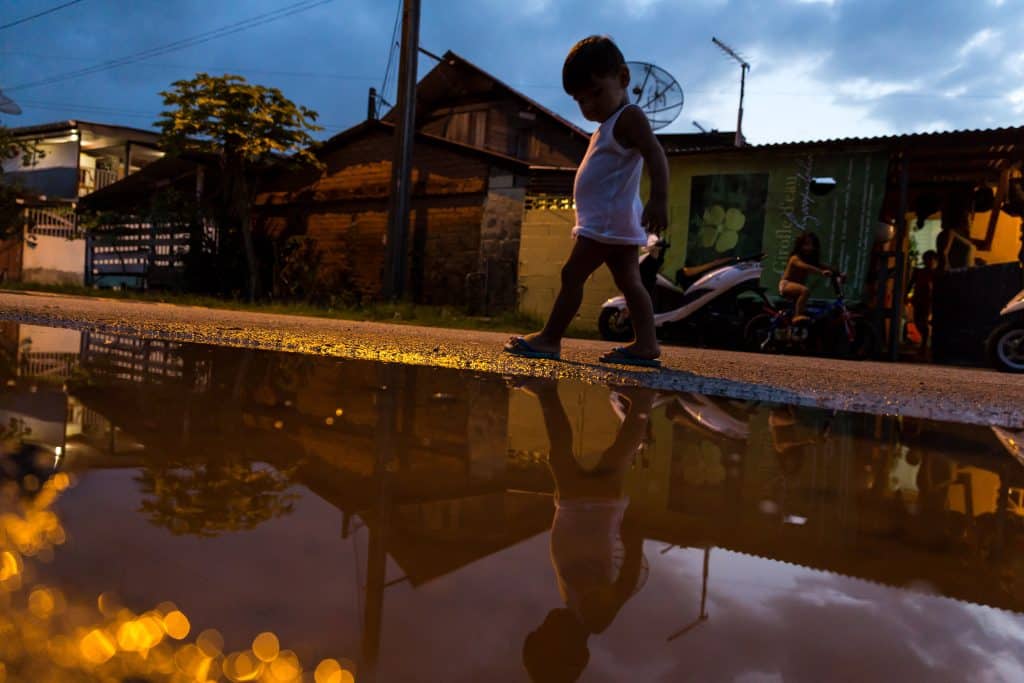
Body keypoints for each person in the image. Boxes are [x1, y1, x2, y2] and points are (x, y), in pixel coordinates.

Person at [504, 35, 669, 368]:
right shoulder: (609, 124)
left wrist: (659, 199)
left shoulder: (629, 117)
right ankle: (647, 345)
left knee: (571, 275)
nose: (590, 105)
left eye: (596, 93)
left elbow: (655, 153)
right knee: (629, 281)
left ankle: (550, 339)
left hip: (606, 222)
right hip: (614, 219)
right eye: (581, 100)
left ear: (623, 79)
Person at [517, 379, 652, 682]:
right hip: (586, 511)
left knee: (614, 458)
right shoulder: (593, 617)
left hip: (587, 511)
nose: (543, 624)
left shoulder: (580, 612)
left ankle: (641, 404)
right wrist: (634, 540)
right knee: (571, 456)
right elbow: (626, 583)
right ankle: (549, 393)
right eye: (543, 633)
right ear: (564, 647)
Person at [779, 232, 834, 322]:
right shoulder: (795, 258)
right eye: (806, 244)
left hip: (797, 286)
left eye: (812, 245)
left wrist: (838, 273)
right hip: (786, 285)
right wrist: (821, 272)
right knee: (805, 291)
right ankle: (797, 316)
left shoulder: (808, 259)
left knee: (805, 305)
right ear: (800, 246)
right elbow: (805, 267)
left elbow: (821, 265)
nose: (810, 248)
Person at [909, 250, 939, 358]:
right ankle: (924, 343)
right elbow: (911, 284)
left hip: (928, 302)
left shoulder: (936, 274)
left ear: (935, 261)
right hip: (918, 300)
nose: (929, 262)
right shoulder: (918, 272)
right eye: (927, 259)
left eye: (932, 259)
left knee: (924, 322)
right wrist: (905, 295)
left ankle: (924, 345)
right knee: (917, 321)